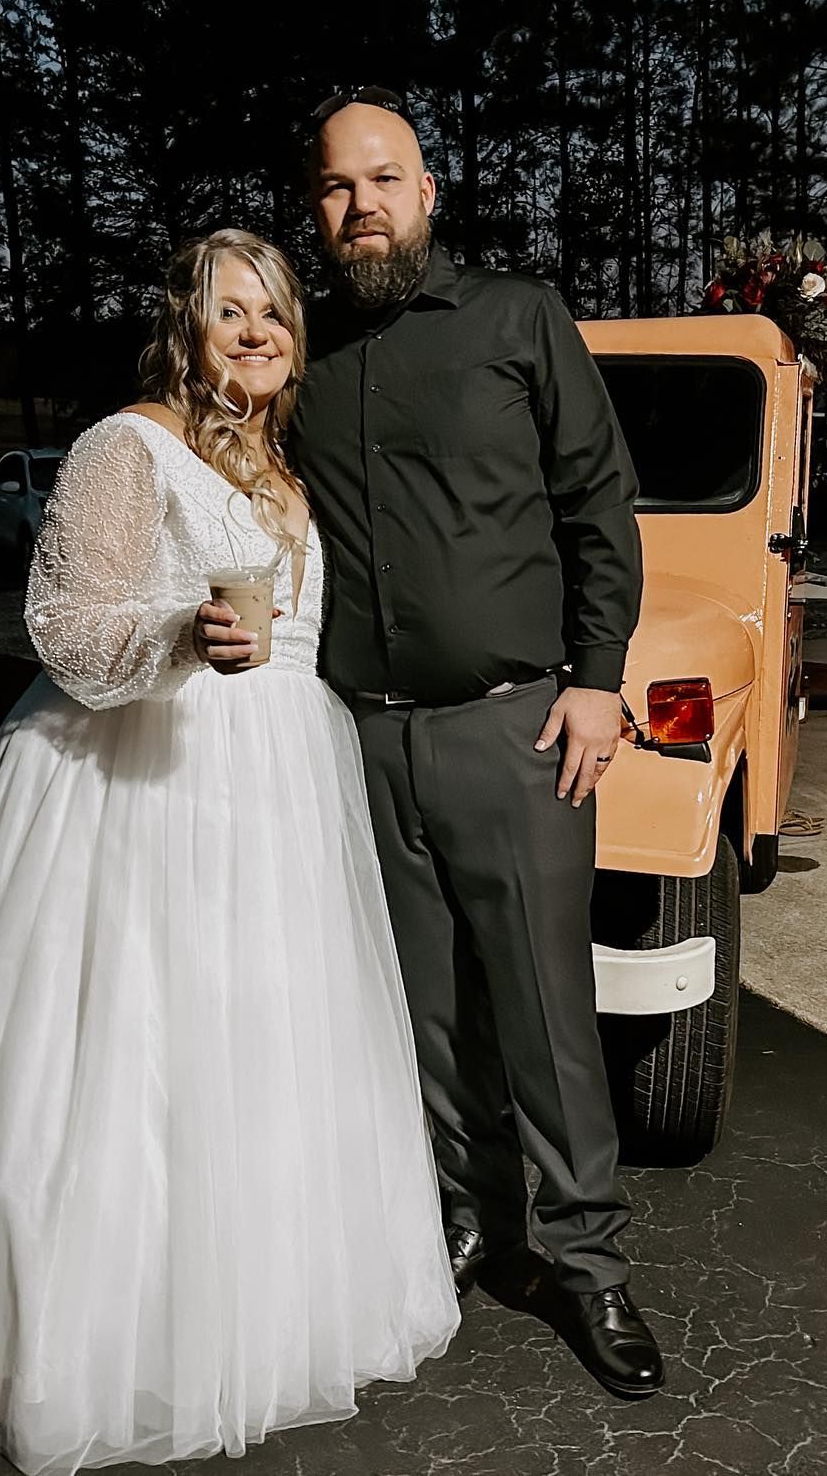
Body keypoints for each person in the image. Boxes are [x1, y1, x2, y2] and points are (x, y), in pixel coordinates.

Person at [0, 229, 459, 1476]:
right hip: (145, 793)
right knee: (138, 1069)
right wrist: (181, 636)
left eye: (275, 313)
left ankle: (257, 1318)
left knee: (261, 1064)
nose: (256, 331)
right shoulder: (124, 444)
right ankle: (124, 1346)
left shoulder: (282, 469)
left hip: (280, 797)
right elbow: (65, 627)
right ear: (183, 327)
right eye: (228, 311)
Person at [291, 88, 662, 1398]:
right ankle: (469, 1214)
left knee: (550, 1013)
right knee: (429, 1013)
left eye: (383, 178)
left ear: (429, 189)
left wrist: (601, 680)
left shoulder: (518, 317)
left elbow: (599, 507)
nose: (363, 204)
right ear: (319, 206)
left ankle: (589, 1257)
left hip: (517, 726)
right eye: (339, 186)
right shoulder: (307, 358)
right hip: (363, 741)